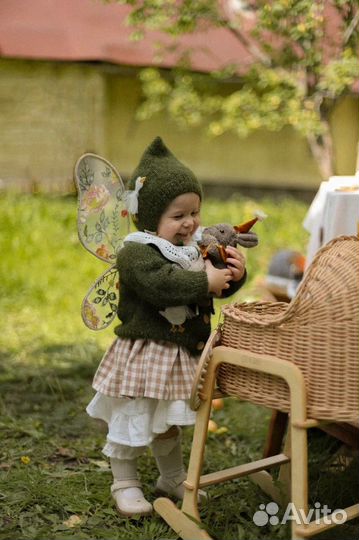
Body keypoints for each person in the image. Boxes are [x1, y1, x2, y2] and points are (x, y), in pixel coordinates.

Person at [86, 137, 256, 516]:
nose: (191, 223)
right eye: (178, 216)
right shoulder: (137, 252)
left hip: (176, 354)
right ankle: (125, 482)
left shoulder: (193, 247)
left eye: (194, 212)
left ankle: (171, 477)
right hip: (144, 352)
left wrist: (233, 275)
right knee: (134, 415)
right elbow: (160, 285)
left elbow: (211, 283)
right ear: (149, 217)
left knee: (167, 421)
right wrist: (202, 282)